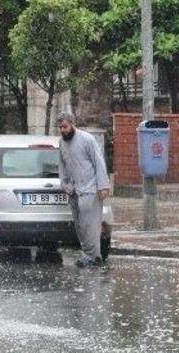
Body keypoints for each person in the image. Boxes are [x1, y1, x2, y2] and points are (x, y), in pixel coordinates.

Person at [57, 112, 111, 268]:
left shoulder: (87, 139)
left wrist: (103, 186)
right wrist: (64, 184)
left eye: (65, 126)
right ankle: (93, 256)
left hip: (90, 188)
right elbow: (63, 165)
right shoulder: (61, 142)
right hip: (74, 190)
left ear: (73, 124)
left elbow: (98, 162)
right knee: (80, 226)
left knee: (90, 225)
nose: (62, 130)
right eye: (60, 127)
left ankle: (92, 256)